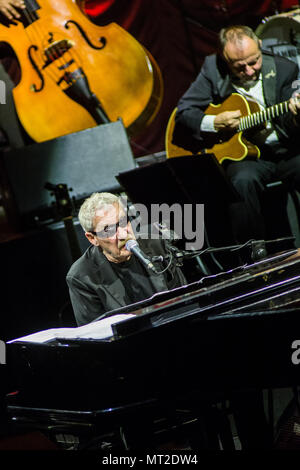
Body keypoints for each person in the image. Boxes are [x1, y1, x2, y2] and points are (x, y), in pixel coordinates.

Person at [173, 24, 300, 243]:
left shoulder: (284, 69)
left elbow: (291, 122)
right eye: (240, 67)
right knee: (240, 181)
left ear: (260, 46)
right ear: (224, 58)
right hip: (247, 156)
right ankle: (254, 253)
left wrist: (296, 115)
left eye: (254, 61)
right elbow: (185, 111)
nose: (249, 71)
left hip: (286, 150)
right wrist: (213, 121)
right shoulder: (213, 69)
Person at [66, 192, 186, 326]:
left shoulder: (156, 244)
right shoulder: (82, 276)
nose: (123, 234)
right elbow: (96, 334)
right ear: (92, 238)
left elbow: (185, 300)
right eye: (109, 229)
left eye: (123, 222)